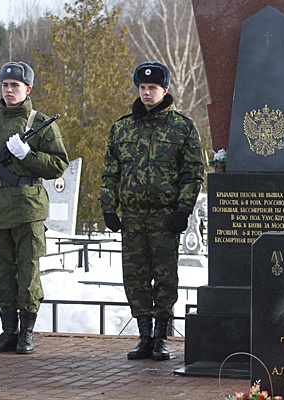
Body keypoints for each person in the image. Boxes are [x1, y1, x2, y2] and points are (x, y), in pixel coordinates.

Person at [99, 61, 204, 361]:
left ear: (165, 90)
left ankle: (161, 337)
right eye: (142, 88)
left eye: (152, 88)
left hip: (164, 216)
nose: (146, 93)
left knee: (165, 277)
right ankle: (144, 336)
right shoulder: (121, 128)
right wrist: (108, 207)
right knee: (135, 277)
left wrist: (183, 210)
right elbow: (110, 173)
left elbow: (192, 173)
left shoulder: (182, 127)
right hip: (132, 215)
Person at [0, 61, 69, 354]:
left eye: (15, 86)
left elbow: (59, 164)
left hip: (26, 209)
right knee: (1, 272)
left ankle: (26, 332)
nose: (9, 90)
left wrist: (28, 155)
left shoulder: (39, 124)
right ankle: (8, 331)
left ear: (28, 89)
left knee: (27, 271)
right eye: (5, 85)